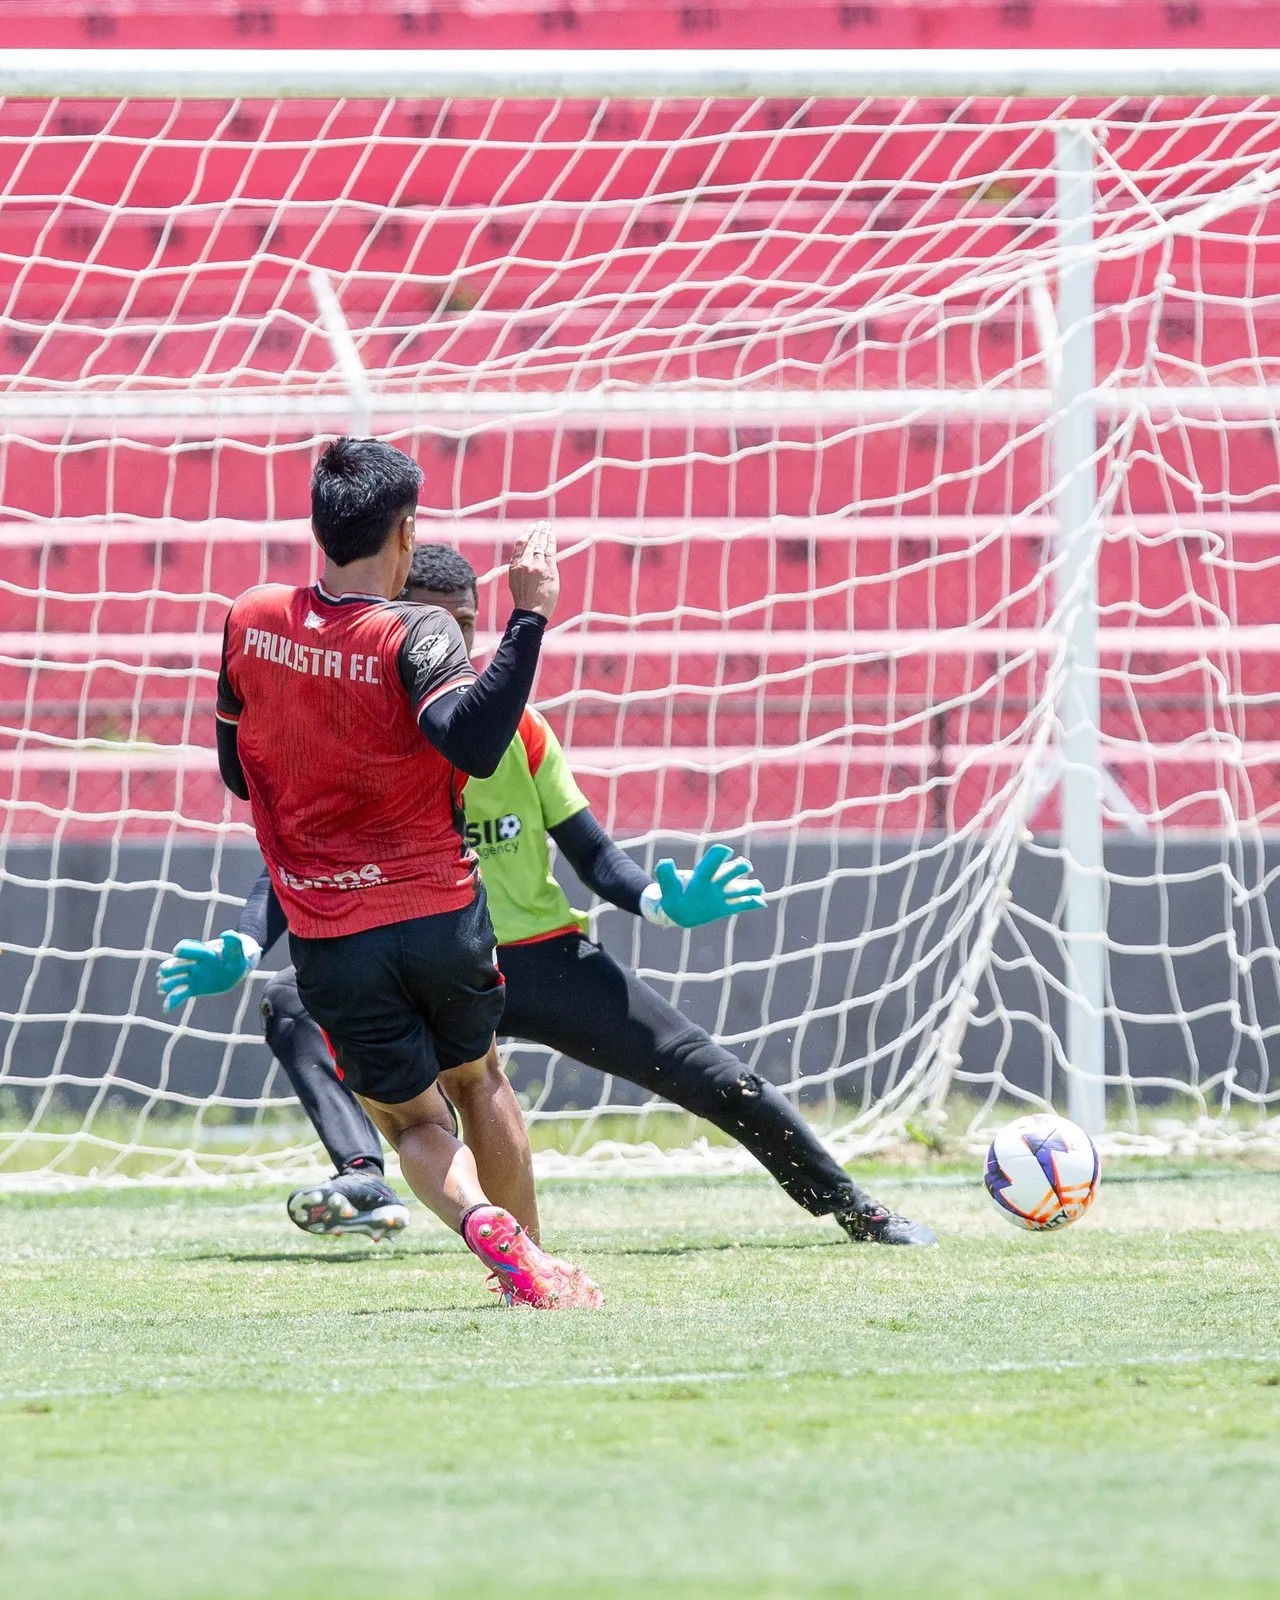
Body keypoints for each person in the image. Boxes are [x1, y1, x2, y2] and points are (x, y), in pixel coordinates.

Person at [162, 542, 937, 1250]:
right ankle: (362, 1176)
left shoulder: (518, 729)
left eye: (465, 625)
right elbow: (305, 843)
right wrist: (242, 936)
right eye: (436, 625)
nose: (456, 645)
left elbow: (595, 857)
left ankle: (850, 1206)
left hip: (535, 957)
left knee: (711, 1074)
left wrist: (661, 904)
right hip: (421, 953)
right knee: (291, 1003)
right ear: (397, 623)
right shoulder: (362, 725)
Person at [197, 436, 602, 1309]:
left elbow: (236, 771)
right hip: (439, 915)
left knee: (414, 1122)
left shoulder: (251, 615)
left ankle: (477, 1226)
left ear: (321, 526)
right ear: (406, 531)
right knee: (480, 1079)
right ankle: (532, 1266)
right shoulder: (414, 632)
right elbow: (474, 738)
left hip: (329, 933)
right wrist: (528, 617)